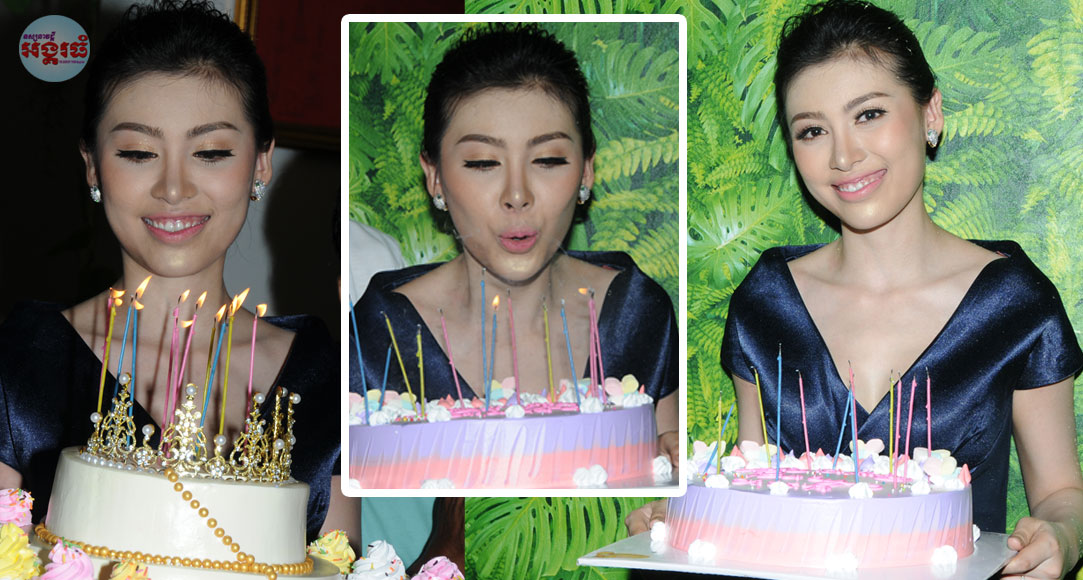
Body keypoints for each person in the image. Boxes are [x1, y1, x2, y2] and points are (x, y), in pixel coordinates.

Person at [631, 2, 1083, 578]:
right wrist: (682, 520)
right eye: (813, 131)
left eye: (868, 114)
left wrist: (1062, 536)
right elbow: (752, 490)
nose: (844, 156)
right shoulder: (767, 300)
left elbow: (1061, 492)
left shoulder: (1015, 301)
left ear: (930, 111)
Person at [0, 0, 355, 543]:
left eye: (210, 152)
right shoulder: (24, 362)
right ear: (92, 165)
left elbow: (342, 563)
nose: (173, 188)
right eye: (138, 152)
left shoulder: (324, 377)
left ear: (261, 162)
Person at [349, 23, 679, 462]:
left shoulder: (635, 315)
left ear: (586, 170)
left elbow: (663, 479)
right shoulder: (379, 336)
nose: (517, 195)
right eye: (483, 162)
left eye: (548, 159)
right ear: (435, 176)